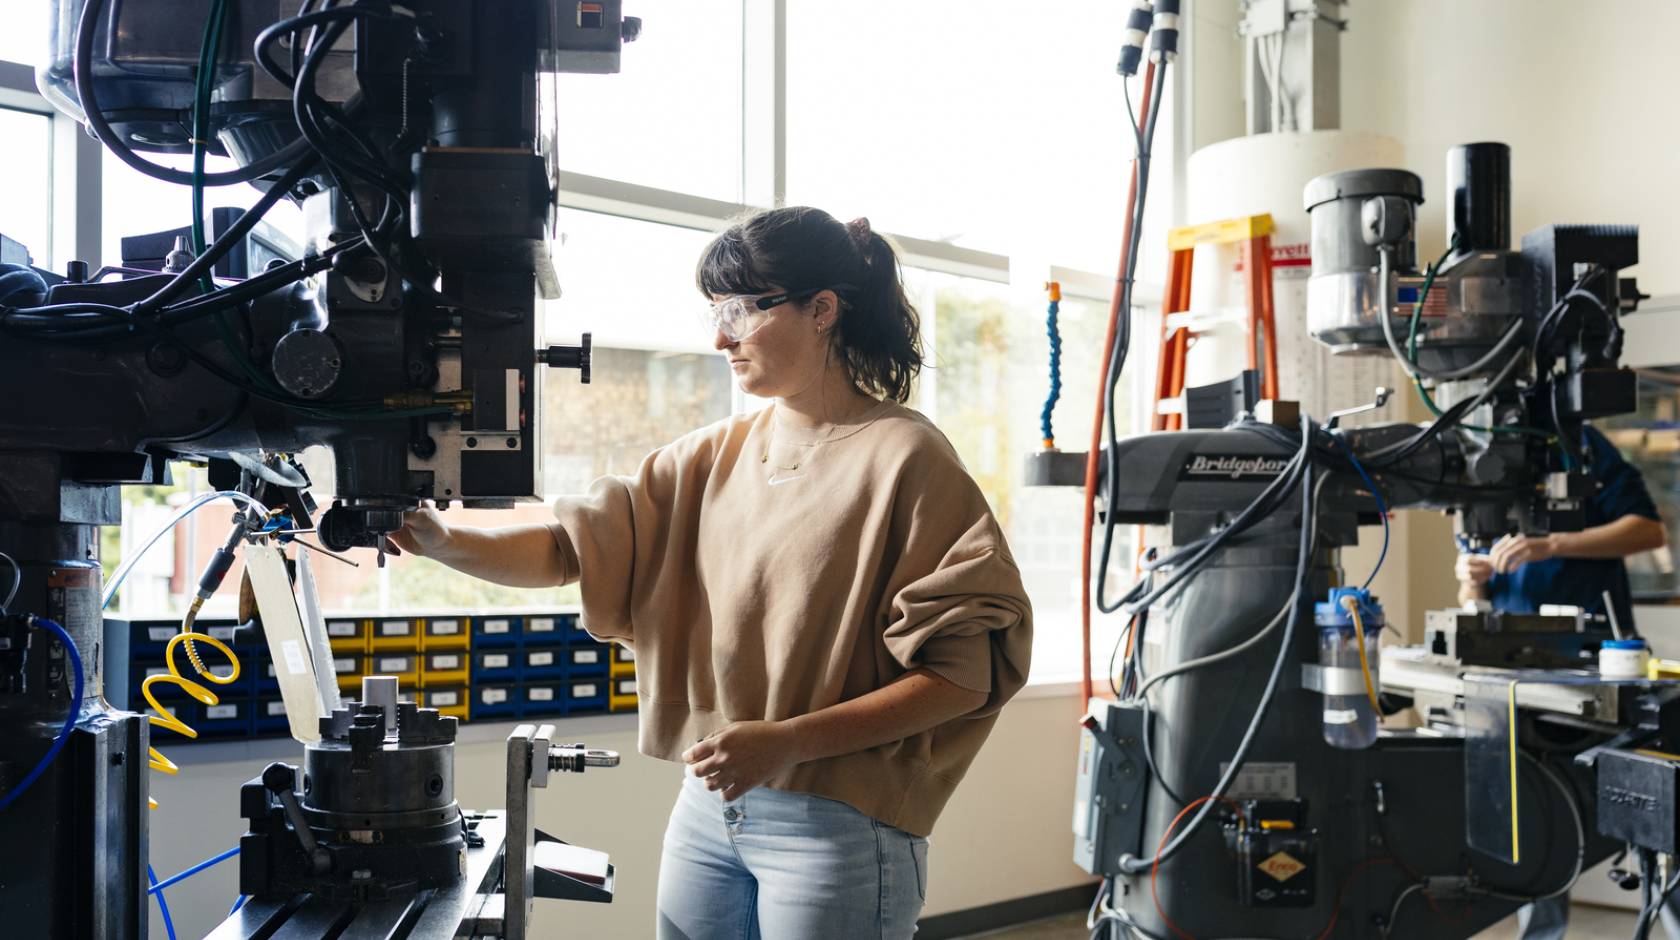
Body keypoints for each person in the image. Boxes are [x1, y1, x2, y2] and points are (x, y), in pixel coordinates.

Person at [390, 206, 1034, 939]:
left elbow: (961, 680)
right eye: (712, 312)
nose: (720, 336)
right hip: (709, 808)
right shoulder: (706, 457)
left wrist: (787, 741)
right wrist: (439, 538)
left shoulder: (906, 460)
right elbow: (569, 549)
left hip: (840, 826)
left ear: (822, 310)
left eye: (738, 309)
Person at [1455, 424, 1666, 940]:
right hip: (1515, 677)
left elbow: (1648, 531)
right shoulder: (1471, 460)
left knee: (1653, 807)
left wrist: (1554, 544)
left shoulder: (1578, 444)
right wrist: (1471, 579)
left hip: (1600, 664)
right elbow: (1468, 601)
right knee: (1534, 813)